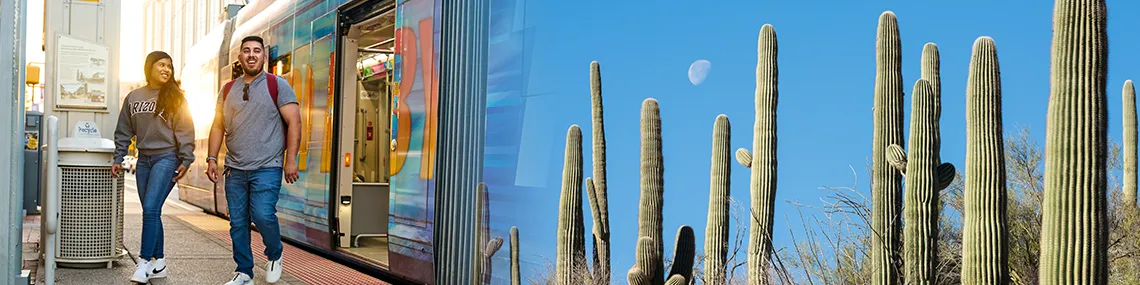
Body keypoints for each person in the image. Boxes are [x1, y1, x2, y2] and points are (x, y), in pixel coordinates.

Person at [206, 35, 301, 285]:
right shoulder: (227, 89)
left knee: (262, 214)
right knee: (237, 223)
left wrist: (291, 159)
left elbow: (294, 122)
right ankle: (244, 271)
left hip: (267, 166)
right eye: (246, 51)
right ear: (240, 58)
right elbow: (218, 126)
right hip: (235, 169)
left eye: (256, 51)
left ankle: (275, 253)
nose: (251, 55)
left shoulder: (277, 85)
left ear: (264, 56)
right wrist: (211, 158)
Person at [112, 51, 195, 284]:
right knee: (152, 210)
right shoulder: (133, 97)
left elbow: (186, 129)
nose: (166, 69)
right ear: (150, 67)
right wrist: (119, 158)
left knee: (149, 209)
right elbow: (124, 131)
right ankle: (159, 263)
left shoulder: (176, 97)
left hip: (167, 157)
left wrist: (186, 159)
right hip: (144, 160)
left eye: (169, 66)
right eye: (161, 65)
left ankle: (143, 261)